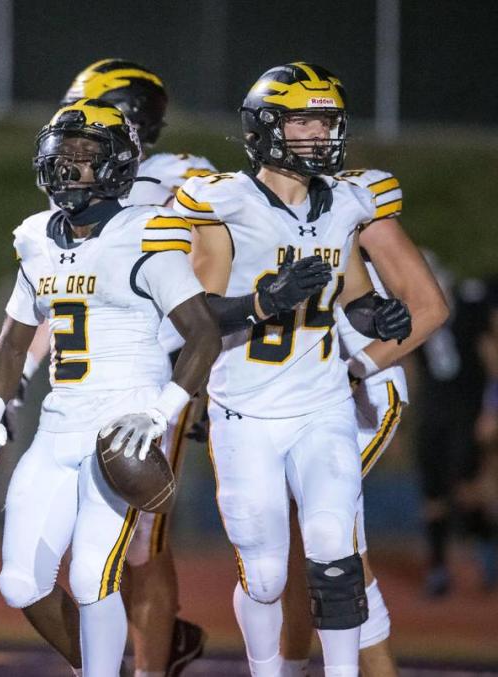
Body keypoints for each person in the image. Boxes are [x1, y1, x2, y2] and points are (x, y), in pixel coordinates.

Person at [170, 62, 412, 677]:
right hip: (245, 410)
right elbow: (192, 317)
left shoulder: (347, 204)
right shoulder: (225, 203)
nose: (318, 132)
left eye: (326, 120)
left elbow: (351, 291)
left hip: (323, 405)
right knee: (269, 574)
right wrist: (263, 301)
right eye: (304, 119)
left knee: (334, 547)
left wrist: (374, 314)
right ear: (266, 126)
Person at [0, 98, 220, 676]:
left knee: (90, 576)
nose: (68, 169)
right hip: (59, 424)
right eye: (61, 157)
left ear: (115, 167)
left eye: (83, 158)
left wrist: (160, 414)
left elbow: (201, 333)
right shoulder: (36, 237)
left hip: (122, 424)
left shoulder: (146, 231)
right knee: (20, 583)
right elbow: (11, 343)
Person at [277, 166, 448, 677]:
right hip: (301, 395)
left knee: (338, 544)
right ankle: (290, 666)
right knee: (297, 543)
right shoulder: (270, 199)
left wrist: (357, 367)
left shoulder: (354, 196)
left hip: (358, 396)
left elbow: (428, 308)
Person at [410, 256, 497, 597]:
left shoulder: (466, 307)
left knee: (468, 490)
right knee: (432, 495)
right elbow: (409, 366)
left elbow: (490, 356)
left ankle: (486, 556)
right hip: (433, 416)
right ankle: (438, 568)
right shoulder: (411, 314)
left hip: (467, 411)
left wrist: (491, 408)